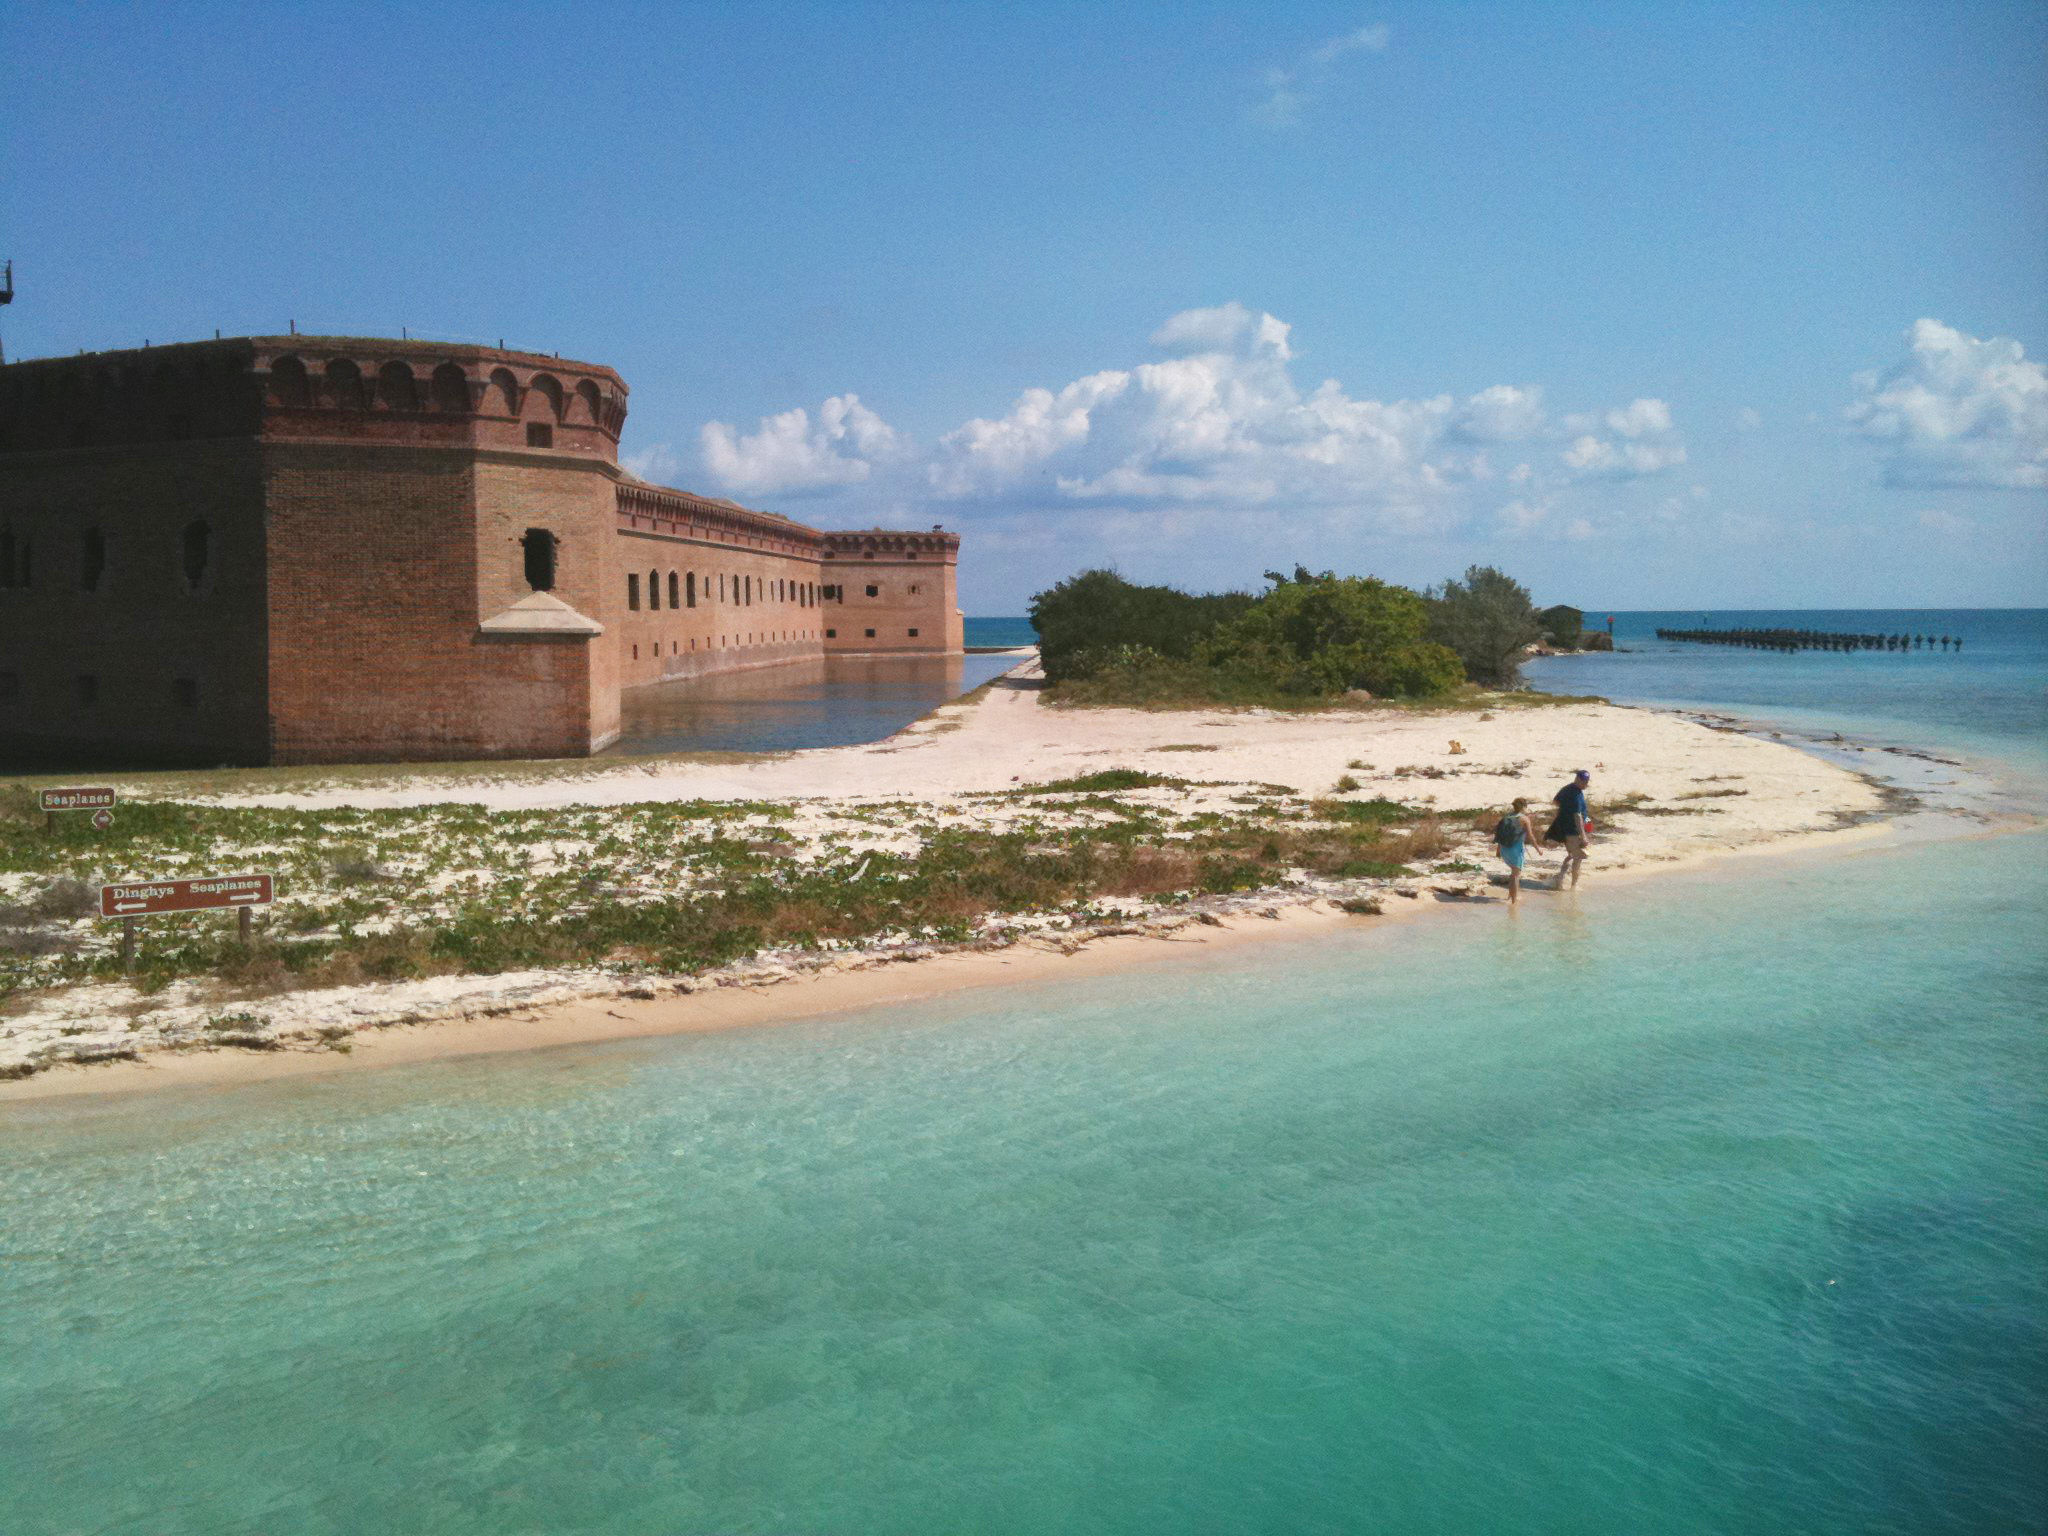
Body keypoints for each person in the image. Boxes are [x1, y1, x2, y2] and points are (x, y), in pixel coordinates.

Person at [1547, 769, 1593, 889]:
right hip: (1573, 830)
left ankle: (1560, 880)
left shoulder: (1567, 788)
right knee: (1579, 857)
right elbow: (1577, 815)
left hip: (1564, 827)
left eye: (1587, 781)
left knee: (1571, 855)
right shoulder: (1576, 794)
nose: (1586, 784)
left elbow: (1556, 802)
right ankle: (1573, 885)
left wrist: (1564, 811)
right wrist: (1583, 836)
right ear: (1577, 779)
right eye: (1584, 781)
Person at [1492, 797, 1539, 904]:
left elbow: (1500, 835)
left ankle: (1510, 896)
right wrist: (1538, 849)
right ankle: (1514, 901)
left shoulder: (1506, 817)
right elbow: (1531, 836)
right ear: (1524, 807)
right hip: (1515, 850)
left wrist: (1498, 850)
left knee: (1513, 873)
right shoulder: (1524, 819)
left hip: (1504, 849)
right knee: (1515, 875)